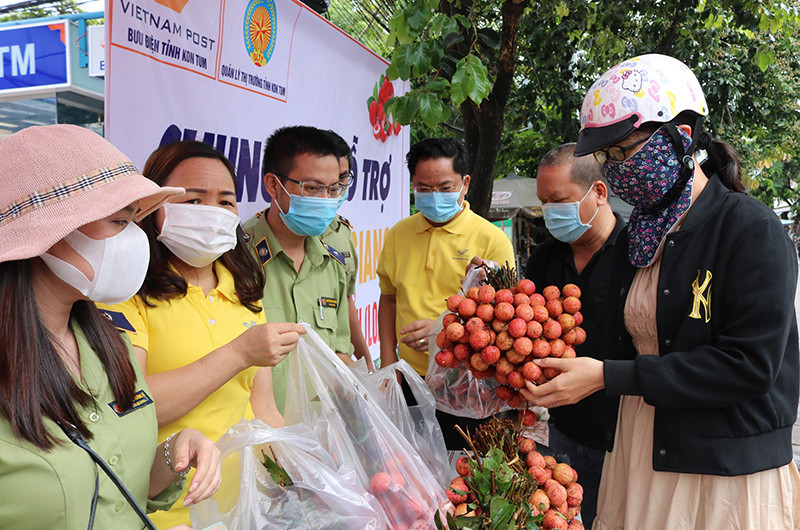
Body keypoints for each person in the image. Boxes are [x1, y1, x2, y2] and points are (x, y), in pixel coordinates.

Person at [522, 54, 800, 528]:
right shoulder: (640, 235)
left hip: (720, 468)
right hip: (640, 447)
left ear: (680, 137)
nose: (615, 170)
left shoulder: (749, 229)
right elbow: (612, 339)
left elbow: (750, 367)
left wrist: (610, 377)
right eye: (607, 158)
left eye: (624, 151)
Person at [0, 125, 221, 529]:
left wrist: (174, 452)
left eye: (136, 220)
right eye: (120, 222)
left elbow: (123, 487)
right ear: (47, 236)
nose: (136, 238)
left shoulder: (111, 346)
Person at [99, 140, 305, 527]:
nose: (212, 212)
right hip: (168, 510)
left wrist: (308, 476)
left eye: (225, 202)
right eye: (193, 201)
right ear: (153, 209)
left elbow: (263, 411)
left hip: (248, 507)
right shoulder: (126, 294)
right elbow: (129, 407)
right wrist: (238, 354)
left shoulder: (245, 292)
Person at [377, 137, 516, 448]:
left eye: (444, 187)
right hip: (409, 378)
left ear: (465, 184)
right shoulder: (398, 234)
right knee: (410, 475)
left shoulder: (492, 240)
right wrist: (389, 363)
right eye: (424, 189)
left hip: (467, 385)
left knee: (462, 478)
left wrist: (442, 331)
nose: (433, 195)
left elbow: (505, 323)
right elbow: (388, 298)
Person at [527, 143, 628, 527]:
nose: (549, 211)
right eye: (543, 202)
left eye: (558, 200)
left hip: (623, 435)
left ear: (599, 193)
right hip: (562, 431)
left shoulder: (640, 253)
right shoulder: (544, 258)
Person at [243, 125, 352, 414]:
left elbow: (340, 352)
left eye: (334, 189)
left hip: (322, 436)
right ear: (273, 185)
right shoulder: (236, 257)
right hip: (259, 440)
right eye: (313, 188)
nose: (326, 200)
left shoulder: (332, 263)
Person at [321, 129, 375, 371]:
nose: (335, 188)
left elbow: (347, 302)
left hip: (341, 372)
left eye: (342, 179)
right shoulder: (255, 236)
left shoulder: (342, 233)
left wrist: (369, 366)